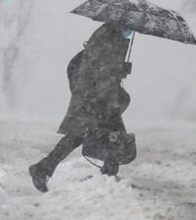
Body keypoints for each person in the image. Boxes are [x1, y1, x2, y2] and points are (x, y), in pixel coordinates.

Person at [28, 23, 132, 192]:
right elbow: (100, 70)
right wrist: (118, 71)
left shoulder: (112, 35)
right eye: (129, 27)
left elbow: (103, 68)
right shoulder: (107, 37)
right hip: (94, 96)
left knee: (93, 134)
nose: (131, 30)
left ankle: (45, 168)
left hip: (96, 95)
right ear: (122, 23)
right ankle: (107, 175)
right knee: (101, 133)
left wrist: (119, 71)